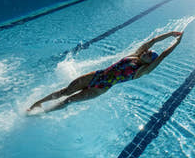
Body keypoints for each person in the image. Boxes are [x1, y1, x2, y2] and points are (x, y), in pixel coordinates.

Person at [27, 31, 183, 113]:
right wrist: (170, 35)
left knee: (68, 101)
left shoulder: (143, 70)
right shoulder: (135, 55)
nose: (147, 52)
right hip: (95, 76)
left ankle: (44, 112)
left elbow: (163, 55)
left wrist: (177, 43)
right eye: (147, 51)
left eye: (150, 55)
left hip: (100, 88)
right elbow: (153, 40)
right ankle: (36, 104)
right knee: (65, 91)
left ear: (151, 62)